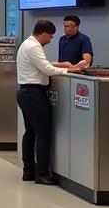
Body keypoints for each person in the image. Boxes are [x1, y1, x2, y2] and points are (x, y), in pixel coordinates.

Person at [16, 19, 77, 185]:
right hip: (34, 94)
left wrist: (60, 64)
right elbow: (47, 69)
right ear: (42, 33)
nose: (50, 40)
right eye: (50, 36)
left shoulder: (26, 44)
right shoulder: (35, 46)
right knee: (43, 133)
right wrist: (67, 70)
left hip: (25, 93)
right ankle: (42, 173)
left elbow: (41, 64)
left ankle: (28, 170)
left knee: (30, 133)